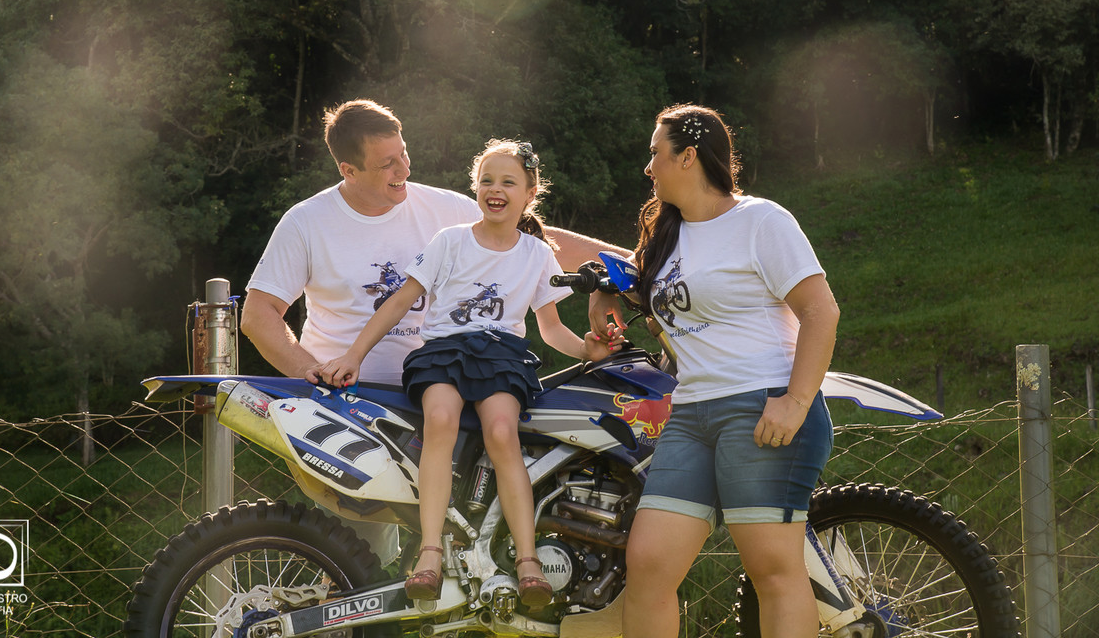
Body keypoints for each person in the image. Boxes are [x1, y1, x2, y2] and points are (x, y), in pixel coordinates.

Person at [241, 99, 625, 562]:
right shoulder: (306, 222)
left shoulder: (443, 209)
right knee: (361, 556)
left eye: (403, 152)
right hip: (351, 406)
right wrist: (315, 374)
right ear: (349, 169)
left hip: (442, 392)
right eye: (387, 163)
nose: (404, 167)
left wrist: (632, 263)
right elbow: (258, 314)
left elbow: (529, 237)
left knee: (458, 543)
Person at [318, 139, 619, 605]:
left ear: (530, 192)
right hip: (444, 352)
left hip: (501, 356)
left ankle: (528, 563)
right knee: (441, 420)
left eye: (508, 182)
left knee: (503, 431)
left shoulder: (536, 254)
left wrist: (589, 350)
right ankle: (430, 553)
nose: (494, 190)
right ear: (476, 188)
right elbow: (398, 300)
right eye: (486, 181)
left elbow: (551, 329)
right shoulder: (450, 241)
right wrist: (353, 355)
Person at [591, 104, 839, 638]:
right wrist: (604, 296)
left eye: (656, 153)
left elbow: (821, 312)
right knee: (650, 564)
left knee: (773, 571)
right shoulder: (669, 237)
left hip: (761, 407)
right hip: (693, 414)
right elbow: (646, 292)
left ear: (688, 156)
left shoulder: (761, 220)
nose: (648, 166)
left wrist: (795, 402)